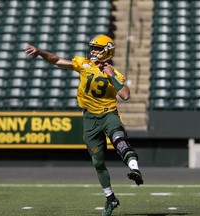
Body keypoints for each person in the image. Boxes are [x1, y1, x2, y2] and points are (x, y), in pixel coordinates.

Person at [25, 34, 143, 216]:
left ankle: (134, 168)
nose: (93, 51)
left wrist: (112, 76)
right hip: (89, 119)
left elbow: (126, 95)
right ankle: (111, 198)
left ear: (108, 51)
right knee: (98, 162)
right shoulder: (83, 64)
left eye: (97, 48)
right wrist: (40, 52)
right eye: (93, 47)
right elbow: (56, 60)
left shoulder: (115, 73)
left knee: (118, 139)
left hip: (108, 113)